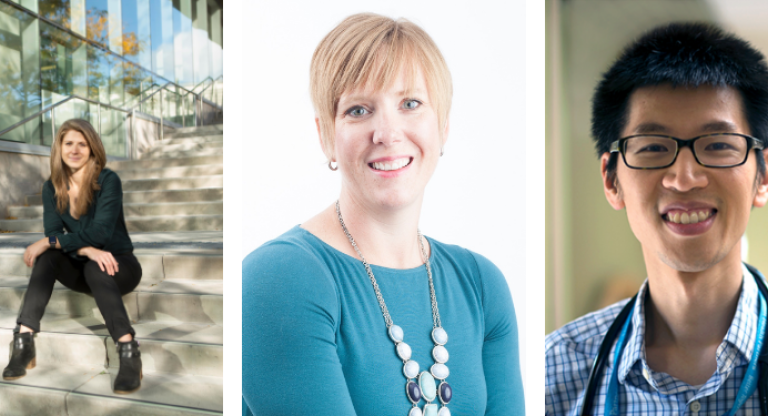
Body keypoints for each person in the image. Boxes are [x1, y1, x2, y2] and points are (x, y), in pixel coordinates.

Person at [242, 13, 524, 416]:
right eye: (358, 110)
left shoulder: (481, 285)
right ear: (326, 137)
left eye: (410, 103)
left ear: (442, 126)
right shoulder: (277, 279)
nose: (388, 133)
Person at [545, 22, 768, 415]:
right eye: (652, 147)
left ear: (763, 177)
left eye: (718, 145)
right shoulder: (550, 374)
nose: (685, 178)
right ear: (612, 181)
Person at [3, 119, 143, 394]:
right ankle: (24, 341)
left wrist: (54, 241)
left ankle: (128, 351)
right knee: (47, 258)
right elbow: (56, 235)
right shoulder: (51, 188)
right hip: (85, 262)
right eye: (69, 143)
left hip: (119, 267)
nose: (75, 149)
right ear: (59, 148)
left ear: (92, 149)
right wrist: (85, 248)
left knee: (92, 266)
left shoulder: (107, 180)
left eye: (83, 143)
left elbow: (101, 234)